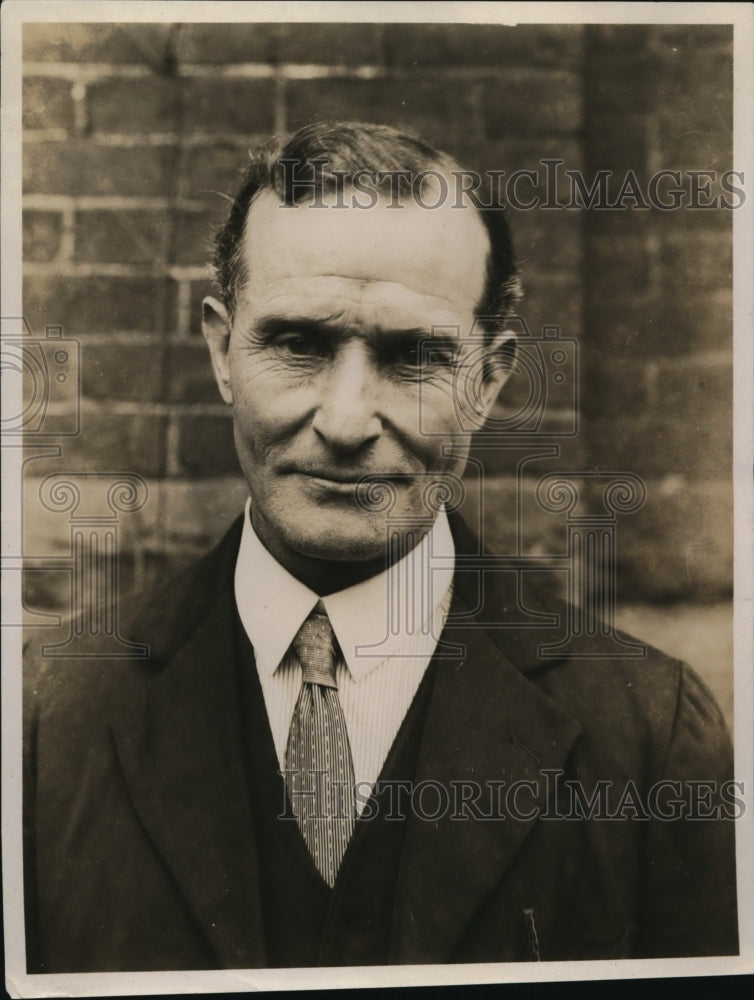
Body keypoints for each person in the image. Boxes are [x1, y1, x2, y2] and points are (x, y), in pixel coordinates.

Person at [23, 122, 738, 972]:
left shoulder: (650, 735)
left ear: (491, 379)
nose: (346, 422)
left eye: (415, 356)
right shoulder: (47, 716)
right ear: (222, 350)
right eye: (297, 344)